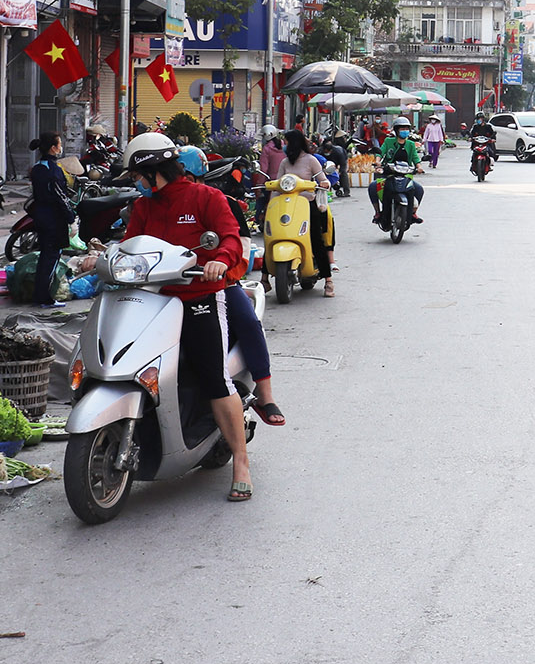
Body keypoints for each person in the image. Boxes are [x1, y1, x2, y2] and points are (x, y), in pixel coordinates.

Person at [77, 134, 254, 500]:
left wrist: (220, 258)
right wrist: (104, 259)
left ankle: (241, 460)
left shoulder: (205, 197)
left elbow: (231, 237)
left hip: (198, 298)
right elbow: (130, 245)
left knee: (214, 378)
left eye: (139, 177)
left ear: (154, 171)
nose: (137, 185)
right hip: (149, 299)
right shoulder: (144, 208)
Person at [275, 129, 337, 297]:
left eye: (287, 143)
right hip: (286, 206)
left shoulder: (311, 161)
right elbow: (277, 184)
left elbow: (323, 179)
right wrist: (270, 203)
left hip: (306, 204)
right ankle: (265, 278)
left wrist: (324, 184)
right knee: (274, 234)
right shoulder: (285, 163)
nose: (285, 146)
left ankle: (328, 281)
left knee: (316, 239)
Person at [26, 133, 76, 307]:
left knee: (45, 257)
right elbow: (60, 197)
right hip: (54, 220)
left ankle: (39, 295)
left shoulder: (38, 167)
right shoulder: (53, 170)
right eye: (59, 144)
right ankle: (44, 298)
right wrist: (71, 218)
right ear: (54, 148)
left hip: (41, 217)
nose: (61, 147)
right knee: (51, 258)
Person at [372, 115, 426, 226]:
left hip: (406, 175)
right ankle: (377, 212)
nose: (404, 131)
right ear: (396, 130)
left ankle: (413, 213)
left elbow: (415, 158)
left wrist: (419, 167)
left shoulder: (411, 144)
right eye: (402, 129)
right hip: (389, 174)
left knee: (419, 190)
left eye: (406, 129)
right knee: (373, 187)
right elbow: (380, 153)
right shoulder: (388, 141)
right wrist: (378, 161)